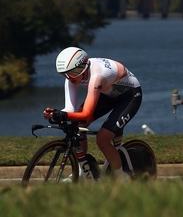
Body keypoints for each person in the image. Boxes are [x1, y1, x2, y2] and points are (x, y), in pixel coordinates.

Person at [43, 47, 142, 181]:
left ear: (84, 67)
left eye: (73, 73)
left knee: (102, 139)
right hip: (107, 93)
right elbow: (69, 110)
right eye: (65, 74)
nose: (69, 78)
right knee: (77, 126)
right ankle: (83, 171)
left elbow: (86, 114)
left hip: (129, 96)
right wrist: (56, 114)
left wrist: (62, 115)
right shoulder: (73, 76)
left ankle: (121, 178)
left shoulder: (97, 75)